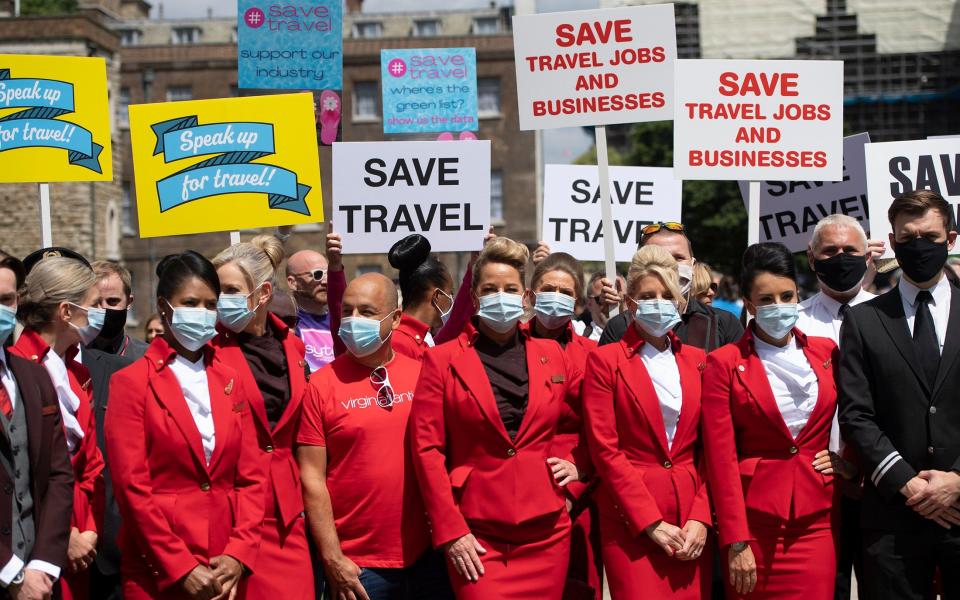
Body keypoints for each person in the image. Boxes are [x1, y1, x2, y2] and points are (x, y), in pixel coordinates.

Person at [409, 237, 585, 600]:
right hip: (476, 535)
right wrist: (451, 530)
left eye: (510, 288)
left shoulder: (552, 354)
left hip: (547, 532)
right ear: (474, 297)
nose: (500, 296)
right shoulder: (441, 360)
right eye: (490, 289)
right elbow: (426, 450)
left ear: (525, 298)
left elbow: (589, 423)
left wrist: (576, 471)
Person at [104, 251, 267, 600]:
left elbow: (252, 476)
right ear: (165, 307)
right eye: (191, 302)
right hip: (157, 570)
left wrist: (239, 552)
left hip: (226, 567)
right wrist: (180, 565)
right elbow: (132, 487)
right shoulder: (132, 382)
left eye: (211, 304)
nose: (203, 313)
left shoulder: (231, 378)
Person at [701, 242, 856, 600]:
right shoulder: (724, 363)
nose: (779, 307)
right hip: (754, 525)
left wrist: (851, 465)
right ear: (750, 304)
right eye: (766, 300)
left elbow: (857, 413)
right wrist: (736, 539)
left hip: (817, 519)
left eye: (787, 296)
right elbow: (720, 458)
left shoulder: (825, 352)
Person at [298, 273, 451, 600]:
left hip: (429, 557)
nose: (354, 321)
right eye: (348, 311)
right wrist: (333, 558)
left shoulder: (424, 372)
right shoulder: (321, 385)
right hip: (359, 568)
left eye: (366, 312)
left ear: (395, 318)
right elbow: (312, 477)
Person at [839, 190, 960, 600]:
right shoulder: (862, 320)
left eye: (929, 236)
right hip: (893, 516)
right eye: (907, 239)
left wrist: (957, 480)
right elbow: (857, 414)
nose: (918, 246)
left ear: (951, 239)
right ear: (891, 243)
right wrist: (906, 482)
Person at [583, 245, 712, 599]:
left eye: (665, 295)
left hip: (691, 522)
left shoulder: (700, 362)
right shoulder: (605, 361)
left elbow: (711, 447)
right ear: (630, 304)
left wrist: (702, 517)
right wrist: (650, 522)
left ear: (678, 301)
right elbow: (604, 449)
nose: (657, 302)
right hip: (631, 522)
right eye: (647, 296)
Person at [211, 235, 314, 600]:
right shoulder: (207, 351)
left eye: (231, 289)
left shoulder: (293, 345)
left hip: (287, 517)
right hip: (232, 514)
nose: (221, 300)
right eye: (216, 290)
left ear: (263, 293)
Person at [12, 256, 106, 600]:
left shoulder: (77, 373)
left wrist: (90, 531)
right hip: (39, 536)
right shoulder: (18, 367)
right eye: (94, 304)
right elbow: (24, 469)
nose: (101, 312)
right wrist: (63, 535)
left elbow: (93, 465)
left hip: (83, 536)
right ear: (66, 311)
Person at [796, 214, 878, 600]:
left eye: (850, 251)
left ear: (868, 258)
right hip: (815, 482)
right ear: (812, 258)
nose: (840, 258)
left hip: (884, 486)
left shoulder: (894, 316)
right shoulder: (791, 324)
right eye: (830, 251)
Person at [521, 252, 601, 599]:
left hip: (573, 496)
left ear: (578, 301)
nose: (556, 296)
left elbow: (603, 429)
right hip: (514, 495)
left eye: (565, 292)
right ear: (531, 294)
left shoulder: (592, 355)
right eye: (548, 288)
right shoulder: (504, 345)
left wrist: (579, 471)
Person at [0, 250, 73, 600]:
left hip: (38, 577)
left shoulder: (32, 375)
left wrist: (43, 563)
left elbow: (59, 473)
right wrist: (11, 574)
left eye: (5, 299)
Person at [599, 222, 744, 352]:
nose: (670, 266)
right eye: (659, 257)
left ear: (693, 266)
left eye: (678, 258)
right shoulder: (619, 327)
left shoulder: (723, 324)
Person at [385, 234, 474, 359]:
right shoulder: (400, 343)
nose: (451, 300)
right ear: (437, 296)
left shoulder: (421, 337)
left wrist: (474, 268)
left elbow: (455, 326)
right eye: (450, 293)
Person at [87, 261, 148, 360]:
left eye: (112, 301)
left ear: (129, 302)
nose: (102, 308)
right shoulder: (71, 354)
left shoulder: (145, 357)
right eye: (95, 302)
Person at [286, 249, 333, 372]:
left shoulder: (340, 320)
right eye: (317, 275)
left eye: (328, 274)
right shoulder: (286, 321)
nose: (325, 281)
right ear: (293, 283)